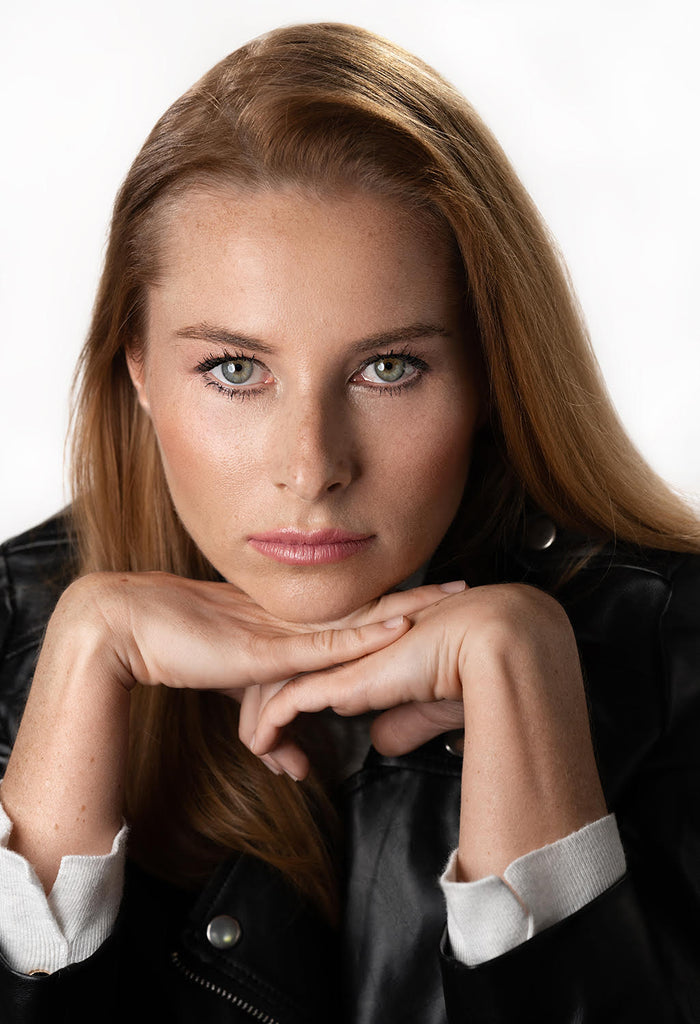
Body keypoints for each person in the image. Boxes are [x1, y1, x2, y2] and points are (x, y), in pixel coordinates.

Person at [0, 20, 699, 1023]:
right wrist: (77, 653)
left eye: (389, 367)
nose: (311, 468)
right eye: (234, 369)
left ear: (491, 376)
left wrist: (523, 673)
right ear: (140, 373)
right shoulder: (14, 634)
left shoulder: (670, 649)